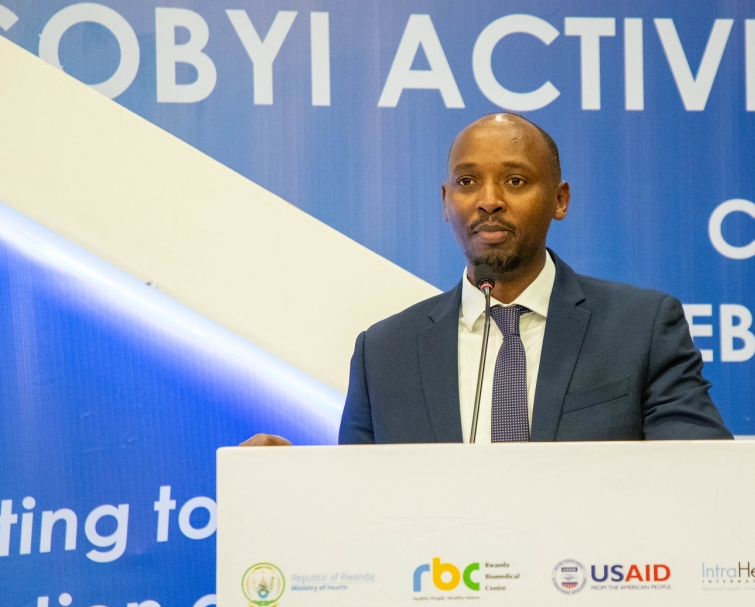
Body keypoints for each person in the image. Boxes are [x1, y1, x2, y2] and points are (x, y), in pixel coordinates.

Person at [243, 113, 730, 447]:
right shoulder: (385, 352)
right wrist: (295, 483)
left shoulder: (639, 330)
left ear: (559, 199)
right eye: (467, 181)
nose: (489, 200)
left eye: (515, 181)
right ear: (445, 201)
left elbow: (701, 477)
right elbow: (364, 512)